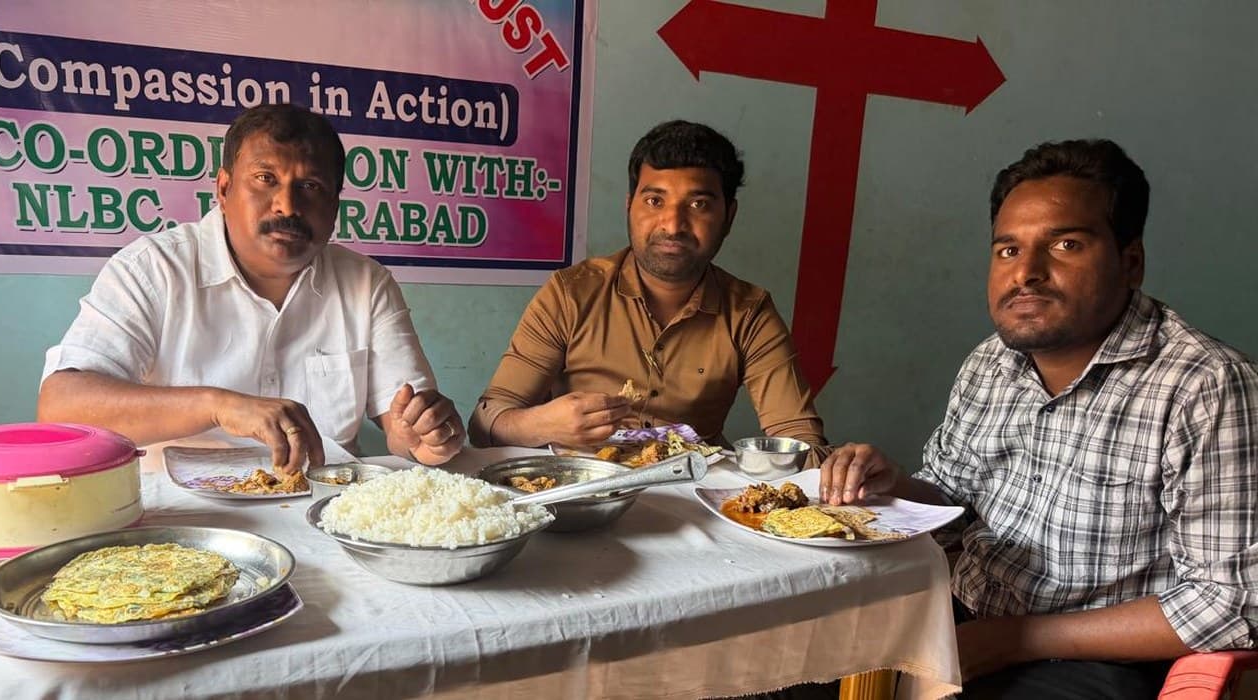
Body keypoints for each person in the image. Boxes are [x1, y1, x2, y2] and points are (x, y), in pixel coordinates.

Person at [819, 139, 1257, 698]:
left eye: (1066, 244)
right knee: (786, 668)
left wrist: (1015, 640)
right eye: (1007, 251)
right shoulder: (992, 361)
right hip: (963, 612)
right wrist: (894, 484)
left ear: (1131, 262)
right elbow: (952, 501)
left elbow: (1233, 602)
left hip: (1096, 661)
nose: (1026, 273)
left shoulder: (1205, 387)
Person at [39, 103, 463, 473]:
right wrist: (218, 406)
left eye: (310, 187)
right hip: (180, 527)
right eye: (265, 178)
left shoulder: (366, 284)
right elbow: (62, 407)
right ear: (223, 190)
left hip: (327, 514)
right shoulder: (153, 269)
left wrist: (426, 439)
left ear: (335, 205)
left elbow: (403, 428)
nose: (287, 206)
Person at [468, 120, 829, 461]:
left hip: (691, 498)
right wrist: (542, 424)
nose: (673, 224)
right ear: (629, 206)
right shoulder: (571, 293)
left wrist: (843, 471)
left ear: (729, 216)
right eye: (655, 201)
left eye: (698, 204)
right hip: (580, 490)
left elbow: (799, 442)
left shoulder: (749, 312)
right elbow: (485, 424)